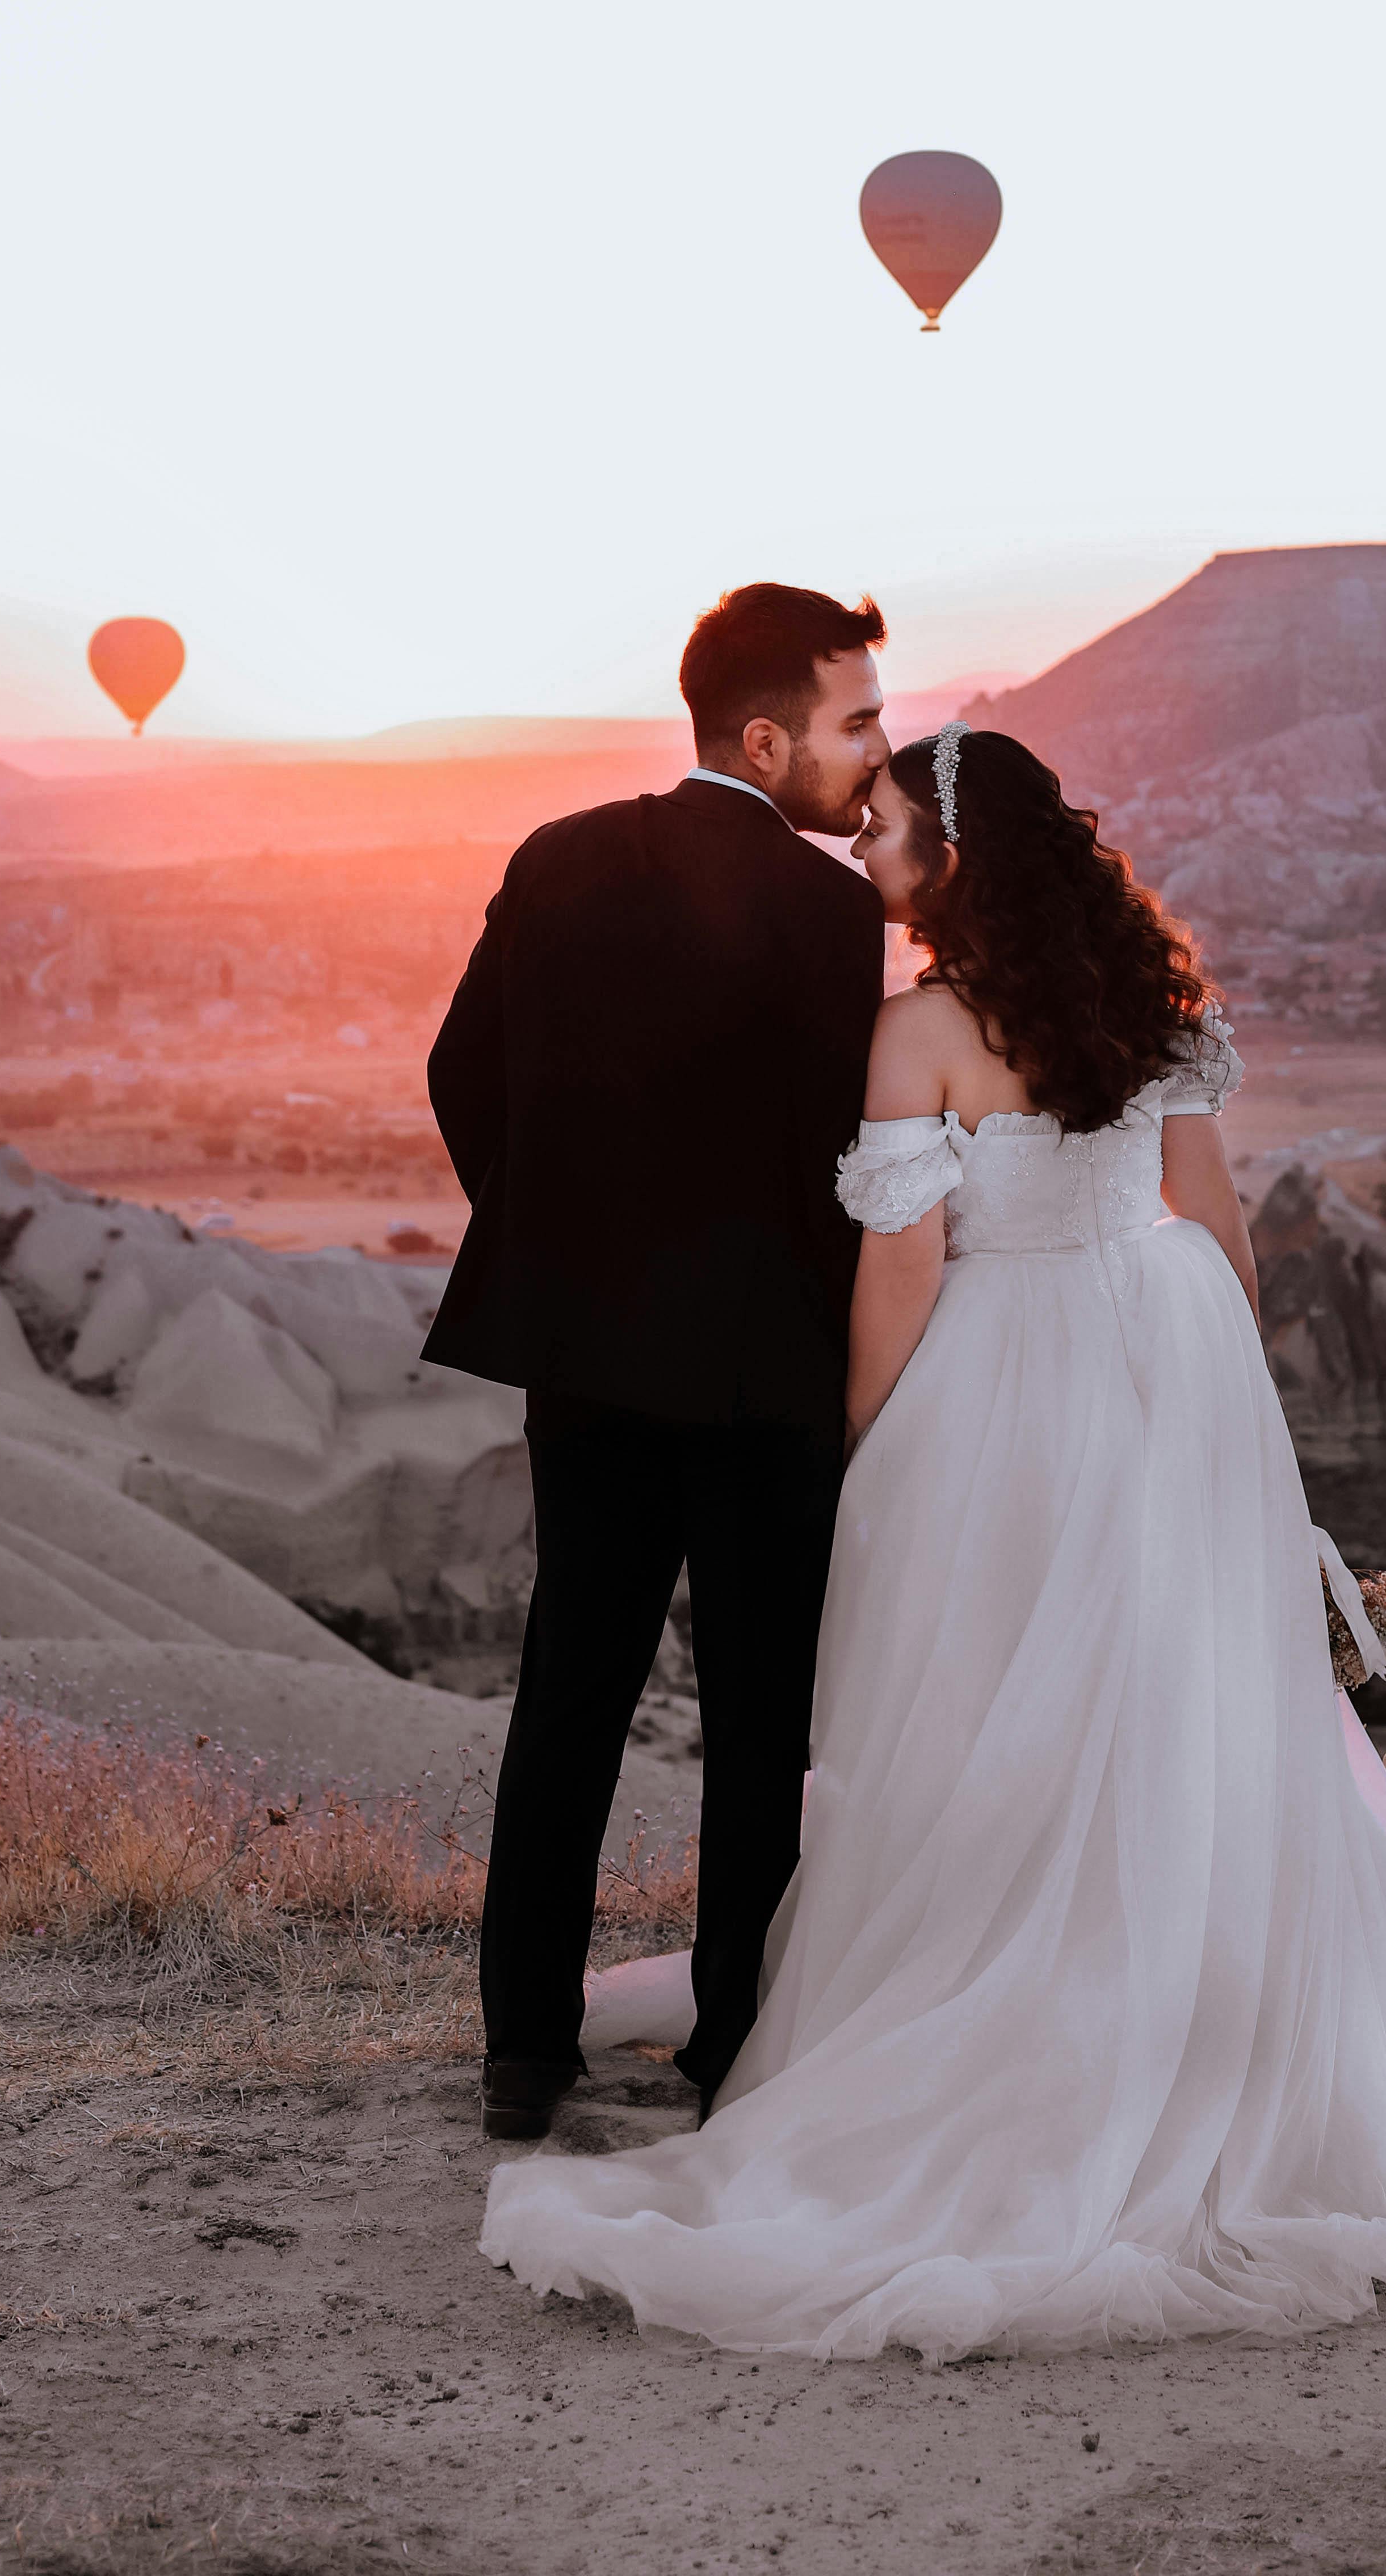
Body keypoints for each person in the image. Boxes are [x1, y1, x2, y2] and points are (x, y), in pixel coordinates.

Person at [478, 722, 1386, 2356]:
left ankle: (1022, 2027)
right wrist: (1228, 1426)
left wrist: (863, 1443)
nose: (871, 851)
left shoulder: (920, 1029)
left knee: (990, 1713)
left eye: (892, 828)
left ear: (954, 861)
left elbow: (899, 1272)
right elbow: (1221, 1232)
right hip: (1167, 1360)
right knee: (1165, 1707)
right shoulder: (1156, 1004)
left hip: (1005, 1380)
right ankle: (1192, 2021)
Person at [425, 584, 890, 2139]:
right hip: (766, 1381)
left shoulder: (558, 860)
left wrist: (565, 1243)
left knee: (572, 1695)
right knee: (760, 1725)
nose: (874, 754)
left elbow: (456, 1073)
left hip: (591, 1360)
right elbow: (849, 1160)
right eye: (855, 723)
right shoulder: (830, 915)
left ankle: (522, 2053)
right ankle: (732, 2057)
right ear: (765, 739)